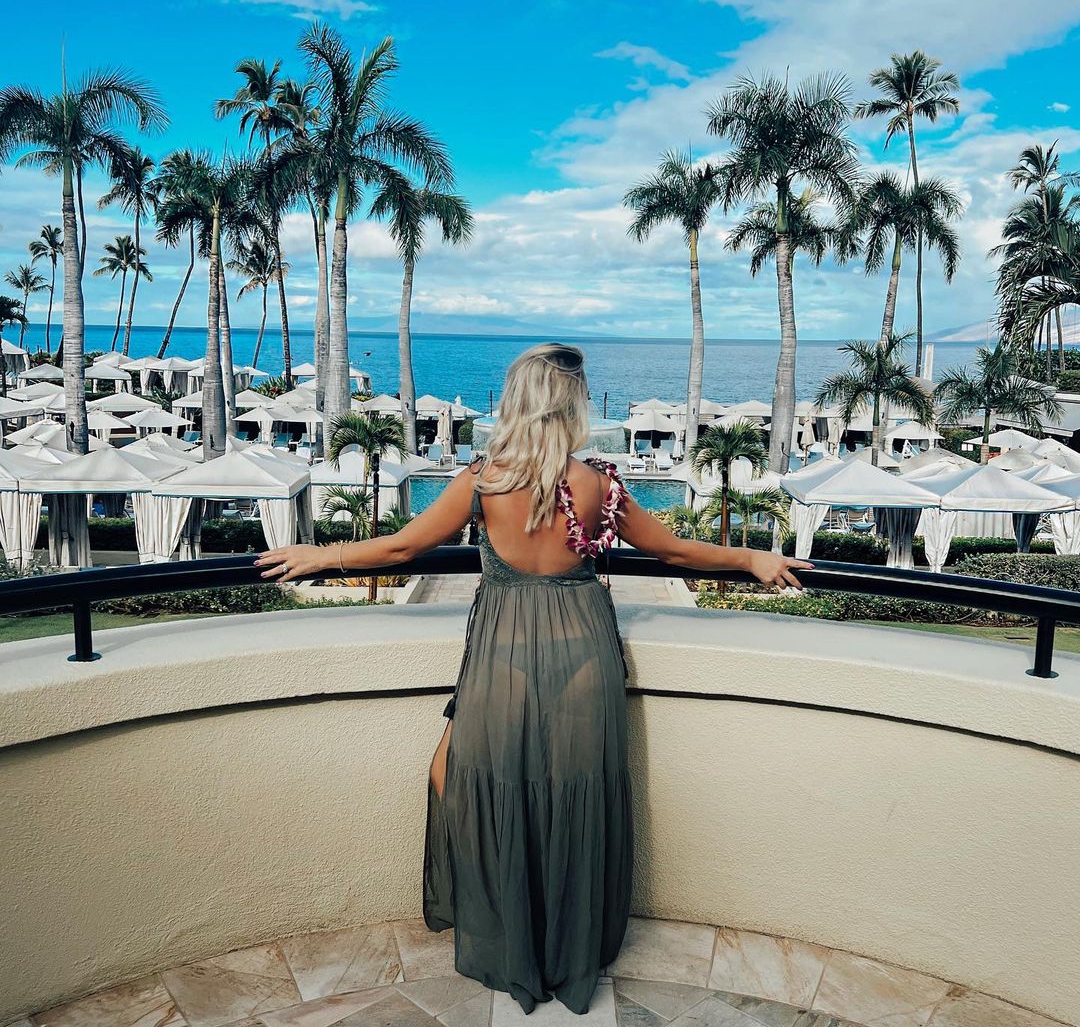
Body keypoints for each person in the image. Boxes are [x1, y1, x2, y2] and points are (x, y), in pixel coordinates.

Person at [255, 342, 812, 1016]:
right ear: (574, 407)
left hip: (504, 653)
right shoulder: (599, 484)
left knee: (472, 778)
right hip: (584, 651)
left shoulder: (484, 482)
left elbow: (403, 547)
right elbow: (673, 550)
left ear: (515, 404)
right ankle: (563, 945)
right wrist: (752, 558)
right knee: (573, 792)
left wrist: (322, 555)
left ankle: (514, 936)